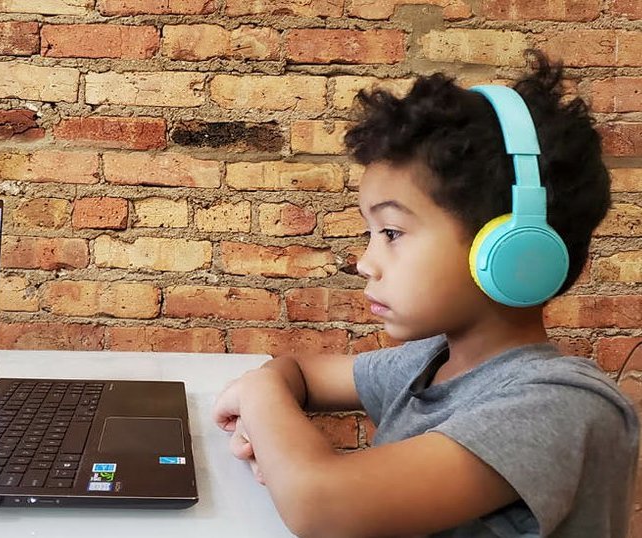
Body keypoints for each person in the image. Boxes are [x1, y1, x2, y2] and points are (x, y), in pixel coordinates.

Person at [213, 50, 639, 537]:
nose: (365, 261)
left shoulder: (564, 405)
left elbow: (324, 505)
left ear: (510, 250)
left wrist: (260, 396)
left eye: (391, 232)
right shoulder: (429, 363)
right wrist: (271, 406)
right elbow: (302, 374)